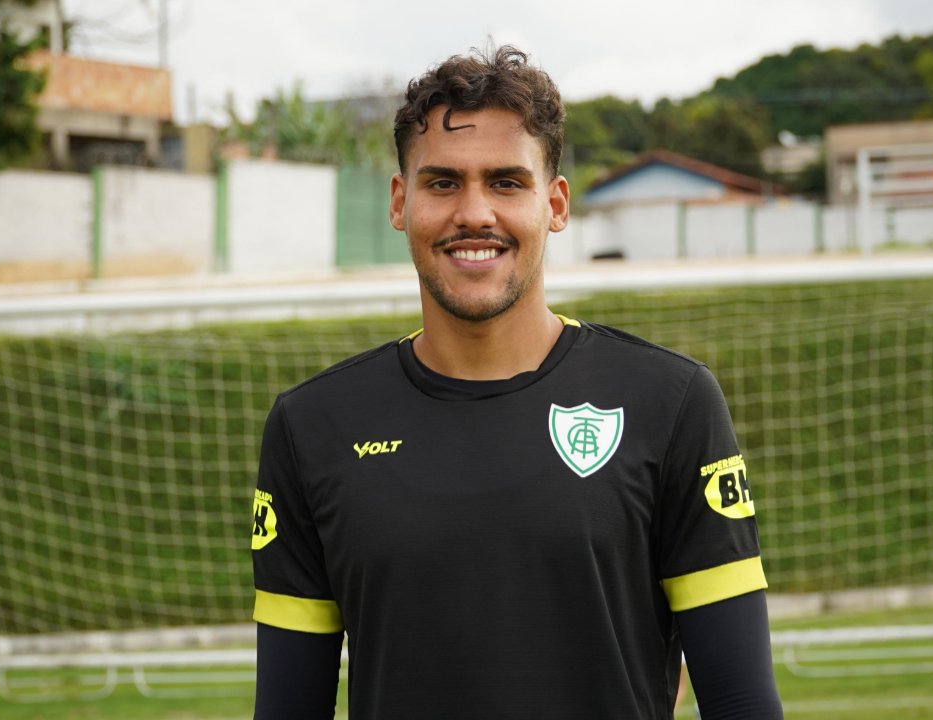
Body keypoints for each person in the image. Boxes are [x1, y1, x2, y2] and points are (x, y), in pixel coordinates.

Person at [250, 45, 783, 720]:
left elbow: (741, 702)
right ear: (399, 201)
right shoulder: (313, 426)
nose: (475, 213)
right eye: (442, 182)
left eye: (506, 182)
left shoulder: (669, 403)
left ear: (555, 204)